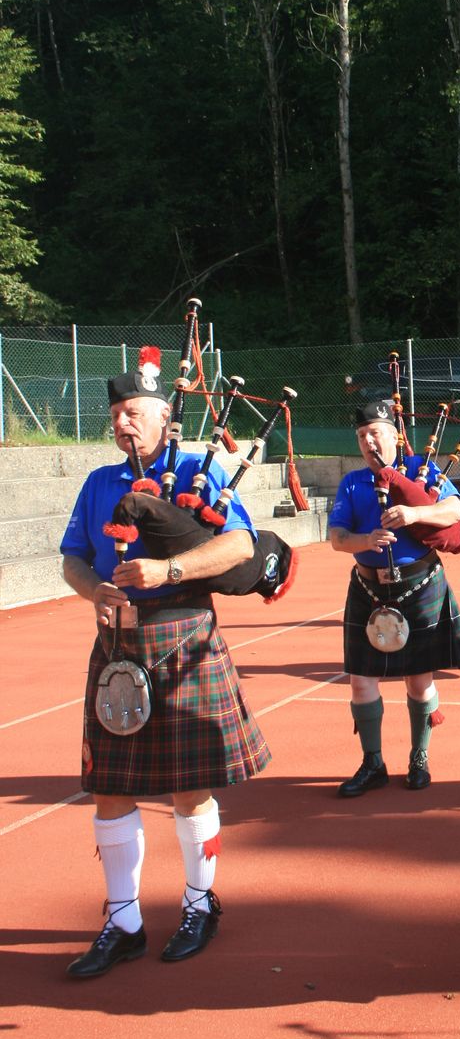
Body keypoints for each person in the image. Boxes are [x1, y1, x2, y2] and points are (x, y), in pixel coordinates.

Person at [59, 347, 271, 979]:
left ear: (163, 417)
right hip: (117, 646)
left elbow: (240, 545)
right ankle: (123, 922)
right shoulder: (99, 483)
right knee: (109, 788)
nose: (123, 423)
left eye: (134, 412)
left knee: (188, 785)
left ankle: (200, 904)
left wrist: (168, 569)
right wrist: (92, 590)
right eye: (116, 414)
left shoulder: (198, 473)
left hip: (182, 637)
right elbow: (73, 557)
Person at [328, 399, 460, 796]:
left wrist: (413, 514)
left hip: (419, 583)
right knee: (361, 682)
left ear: (394, 436)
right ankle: (372, 763)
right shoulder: (352, 482)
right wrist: (365, 540)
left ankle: (419, 756)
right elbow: (337, 537)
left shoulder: (420, 470)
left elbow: (454, 511)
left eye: (375, 432)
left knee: (419, 681)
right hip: (368, 588)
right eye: (361, 435)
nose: (368, 441)